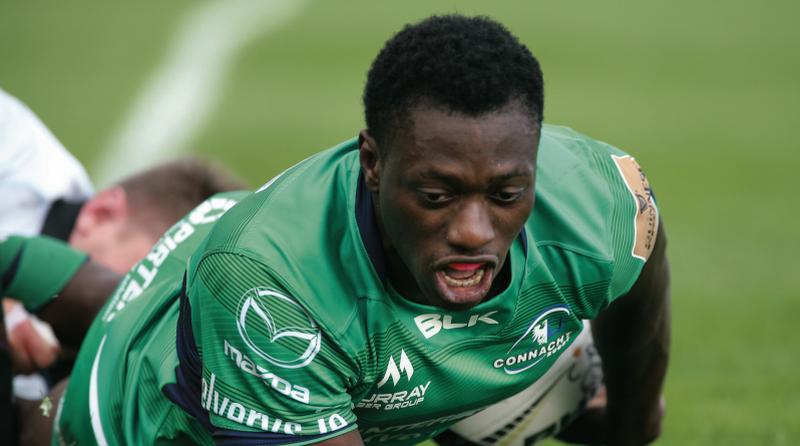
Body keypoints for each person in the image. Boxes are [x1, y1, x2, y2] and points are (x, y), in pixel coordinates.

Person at [10, 14, 670, 445]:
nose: (474, 230)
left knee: (101, 296)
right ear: (374, 164)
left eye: (506, 193)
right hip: (116, 411)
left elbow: (643, 286)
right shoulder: (268, 288)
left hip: (188, 284)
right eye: (436, 195)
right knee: (39, 411)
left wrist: (630, 430)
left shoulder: (600, 198)